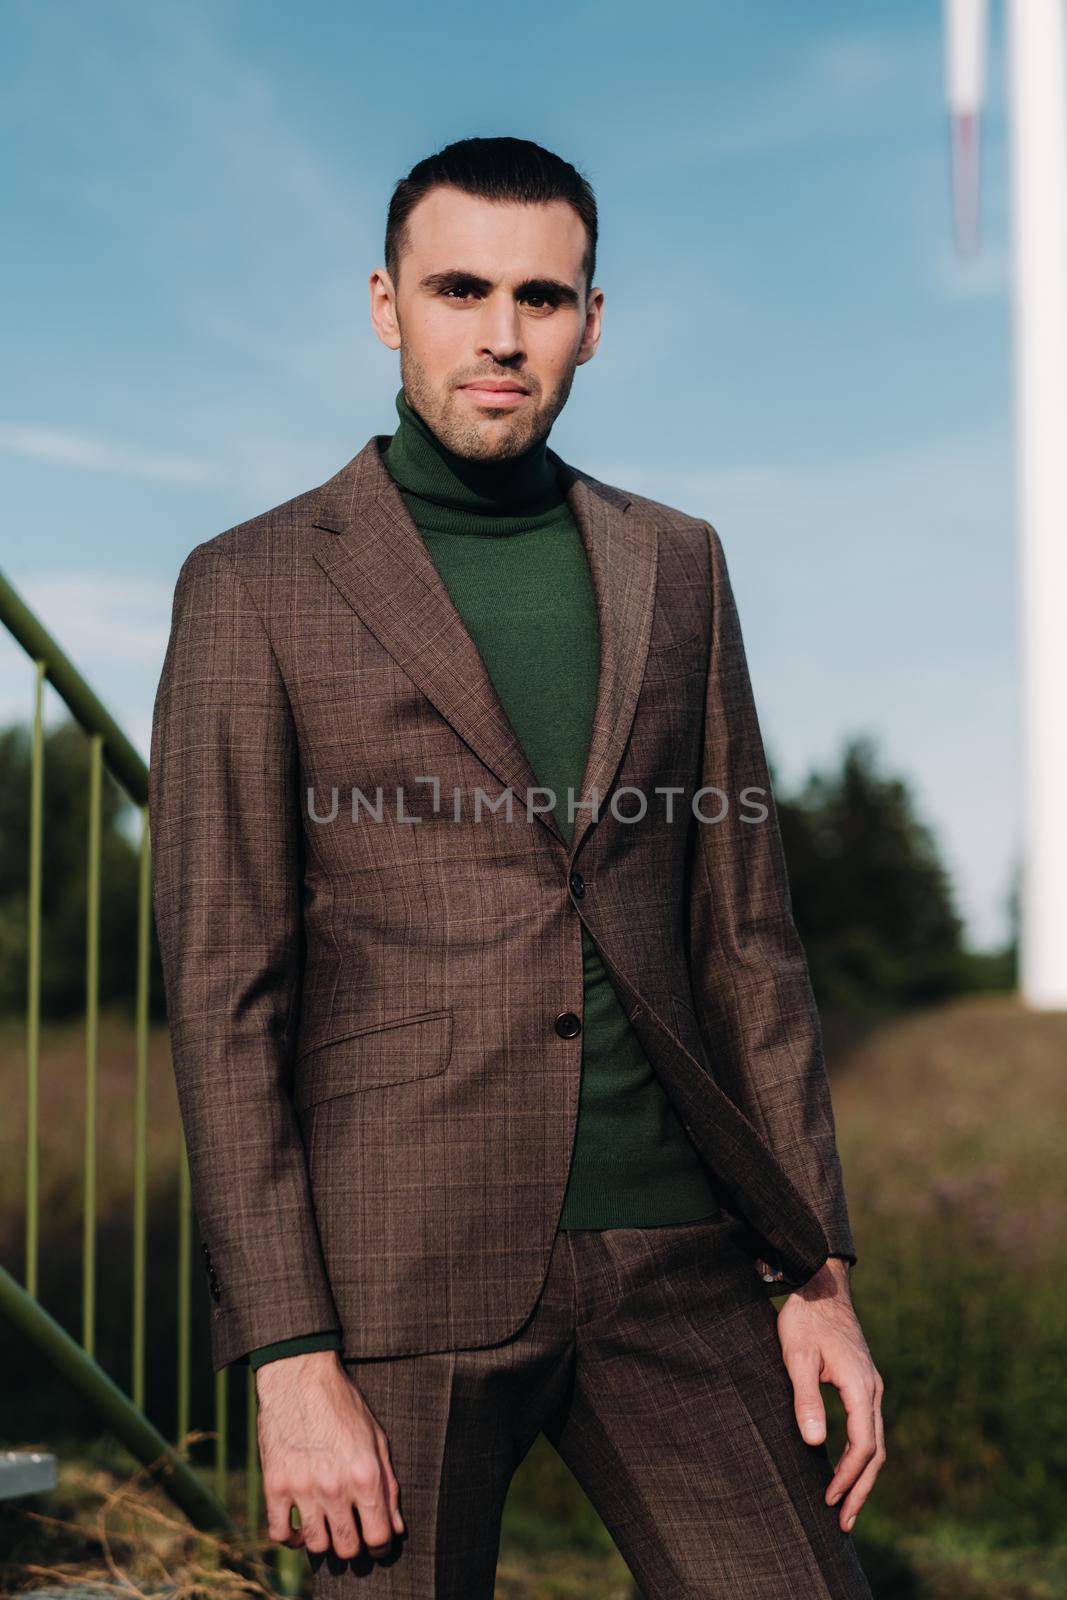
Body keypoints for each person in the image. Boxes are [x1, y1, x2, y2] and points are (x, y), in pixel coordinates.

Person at [149, 134, 883, 1598]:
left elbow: (749, 940)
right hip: (396, 1276)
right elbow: (224, 993)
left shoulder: (678, 562)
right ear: (386, 304)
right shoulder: (253, 584)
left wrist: (818, 1270)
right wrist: (289, 1357)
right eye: (460, 289)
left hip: (682, 1249)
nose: (500, 334)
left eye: (541, 298)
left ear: (593, 321)